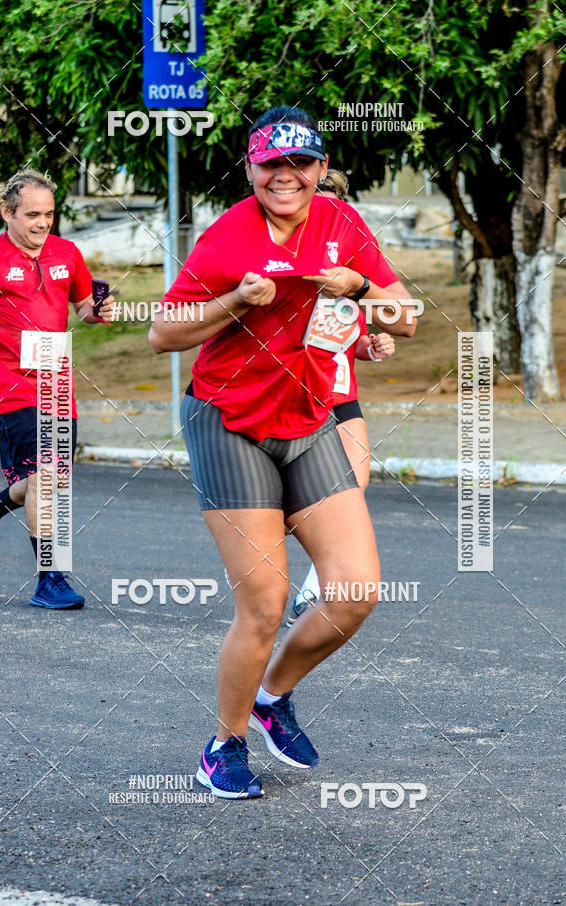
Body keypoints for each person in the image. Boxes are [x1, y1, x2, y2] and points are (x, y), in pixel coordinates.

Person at [149, 107, 417, 799]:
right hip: (228, 421)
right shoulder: (227, 236)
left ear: (321, 170)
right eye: (273, 164)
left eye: (301, 164)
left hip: (308, 421)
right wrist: (233, 301)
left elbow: (405, 315)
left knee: (355, 591)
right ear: (252, 169)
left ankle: (273, 695)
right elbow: (162, 334)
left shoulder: (343, 225)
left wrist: (359, 289)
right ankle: (224, 744)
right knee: (265, 603)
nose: (287, 176)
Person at [0, 169, 114, 609]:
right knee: (47, 477)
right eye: (32, 214)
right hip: (9, 380)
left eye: (49, 214)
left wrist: (100, 310)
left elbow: (85, 307)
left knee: (44, 477)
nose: (42, 223)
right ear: (7, 212)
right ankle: (51, 578)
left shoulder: (67, 252)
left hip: (55, 376)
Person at [287, 169, 408, 626]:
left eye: (336, 202)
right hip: (294, 394)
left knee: (352, 491)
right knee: (290, 507)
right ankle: (258, 573)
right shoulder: (291, 263)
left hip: (341, 394)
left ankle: (315, 588)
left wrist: (370, 347)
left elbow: (345, 335)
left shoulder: (351, 271)